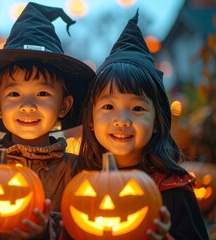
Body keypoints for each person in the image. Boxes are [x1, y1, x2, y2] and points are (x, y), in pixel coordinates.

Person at [0, 2, 95, 239]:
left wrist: (45, 233)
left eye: (43, 94)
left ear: (64, 106)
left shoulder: (79, 172)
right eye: (14, 94)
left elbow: (91, 227)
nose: (28, 105)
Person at [77, 11, 209, 239]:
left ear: (157, 122)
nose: (122, 120)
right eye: (108, 107)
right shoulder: (78, 180)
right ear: (90, 119)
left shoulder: (174, 190)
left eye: (137, 109)